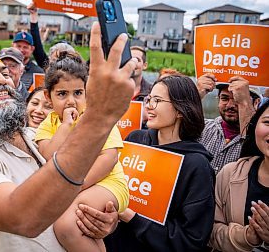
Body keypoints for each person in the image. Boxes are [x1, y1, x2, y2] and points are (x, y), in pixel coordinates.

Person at [0, 22, 137, 251]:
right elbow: (22, 218)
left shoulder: (35, 135)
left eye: (5, 73)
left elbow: (77, 195)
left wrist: (102, 218)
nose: (2, 79)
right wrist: (99, 115)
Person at [105, 75, 215, 252]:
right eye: (149, 99)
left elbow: (191, 240)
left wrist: (132, 217)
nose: (148, 105)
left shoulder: (197, 165)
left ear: (180, 110)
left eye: (157, 100)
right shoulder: (135, 139)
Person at [35, 52, 128, 251]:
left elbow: (109, 158)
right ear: (47, 96)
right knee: (74, 228)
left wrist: (77, 187)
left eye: (78, 93)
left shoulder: (96, 118)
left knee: (67, 225)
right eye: (62, 94)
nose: (71, 101)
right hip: (72, 188)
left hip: (106, 183)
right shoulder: (47, 125)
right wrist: (66, 125)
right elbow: (48, 157)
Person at [209, 100, 269, 252]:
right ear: (255, 126)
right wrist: (245, 237)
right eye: (268, 122)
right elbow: (210, 230)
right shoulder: (230, 174)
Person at [197, 74, 261, 174]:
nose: (230, 105)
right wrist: (196, 94)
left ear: (256, 103)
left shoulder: (263, 138)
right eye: (224, 98)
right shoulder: (202, 128)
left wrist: (244, 103)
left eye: (237, 99)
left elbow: (252, 144)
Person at [28, 2, 75, 70]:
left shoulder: (78, 73)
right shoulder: (47, 66)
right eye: (55, 59)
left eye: (64, 59)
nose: (60, 64)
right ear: (50, 59)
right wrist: (33, 15)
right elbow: (37, 46)